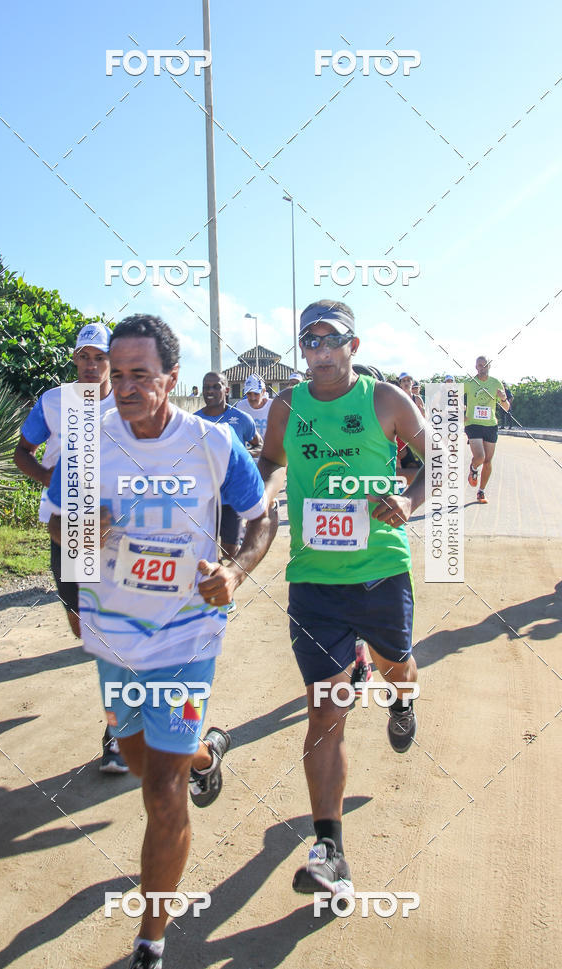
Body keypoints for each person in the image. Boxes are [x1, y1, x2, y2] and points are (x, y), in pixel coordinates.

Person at [48, 314, 278, 969]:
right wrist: (84, 536)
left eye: (139, 375)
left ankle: (150, 940)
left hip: (187, 636)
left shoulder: (212, 444)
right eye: (115, 375)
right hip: (117, 634)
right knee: (139, 757)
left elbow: (264, 518)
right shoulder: (88, 444)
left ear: (171, 379)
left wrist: (233, 571)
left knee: (160, 791)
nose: (123, 387)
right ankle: (207, 754)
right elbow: (64, 534)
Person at [258, 299, 425, 899]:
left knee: (394, 668)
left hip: (381, 570)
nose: (320, 352)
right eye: (310, 341)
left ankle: (401, 697)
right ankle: (329, 847)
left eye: (332, 341)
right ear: (301, 348)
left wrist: (409, 499)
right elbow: (270, 462)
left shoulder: (385, 401)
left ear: (353, 346)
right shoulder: (287, 407)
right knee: (325, 710)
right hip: (314, 582)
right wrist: (268, 494)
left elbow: (438, 457)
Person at [13, 321, 127, 774]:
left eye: (100, 357)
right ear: (74, 359)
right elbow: (23, 451)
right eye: (84, 356)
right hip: (69, 528)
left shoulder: (129, 400)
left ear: (112, 361)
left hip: (119, 530)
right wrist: (56, 485)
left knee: (110, 631)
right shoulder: (56, 401)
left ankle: (116, 733)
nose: (91, 364)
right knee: (82, 625)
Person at [196, 372, 263, 561]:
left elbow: (259, 444)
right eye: (206, 387)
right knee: (203, 550)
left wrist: (238, 457)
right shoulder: (193, 421)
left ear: (226, 389)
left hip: (231, 498)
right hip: (204, 497)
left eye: (216, 386)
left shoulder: (242, 419)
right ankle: (210, 585)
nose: (210, 391)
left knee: (230, 552)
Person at [464, 356, 509, 504]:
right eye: (479, 365)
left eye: (484, 365)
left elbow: (506, 408)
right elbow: (452, 397)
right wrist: (460, 412)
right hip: (473, 424)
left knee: (488, 461)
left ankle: (481, 492)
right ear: (476, 367)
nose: (482, 367)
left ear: (489, 366)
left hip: (490, 425)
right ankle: (473, 468)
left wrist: (503, 398)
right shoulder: (469, 383)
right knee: (480, 457)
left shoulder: (496, 383)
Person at [396, 373, 424, 484]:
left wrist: (422, 414)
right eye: (404, 381)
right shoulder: (396, 398)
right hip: (399, 436)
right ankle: (398, 488)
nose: (406, 383)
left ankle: (413, 489)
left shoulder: (417, 399)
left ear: (412, 383)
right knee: (398, 463)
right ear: (400, 384)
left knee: (416, 466)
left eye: (408, 380)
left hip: (414, 436)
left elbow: (425, 419)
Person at [235, 374, 273, 440]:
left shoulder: (273, 406)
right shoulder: (240, 406)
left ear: (263, 392)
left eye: (256, 394)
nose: (253, 398)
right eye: (249, 393)